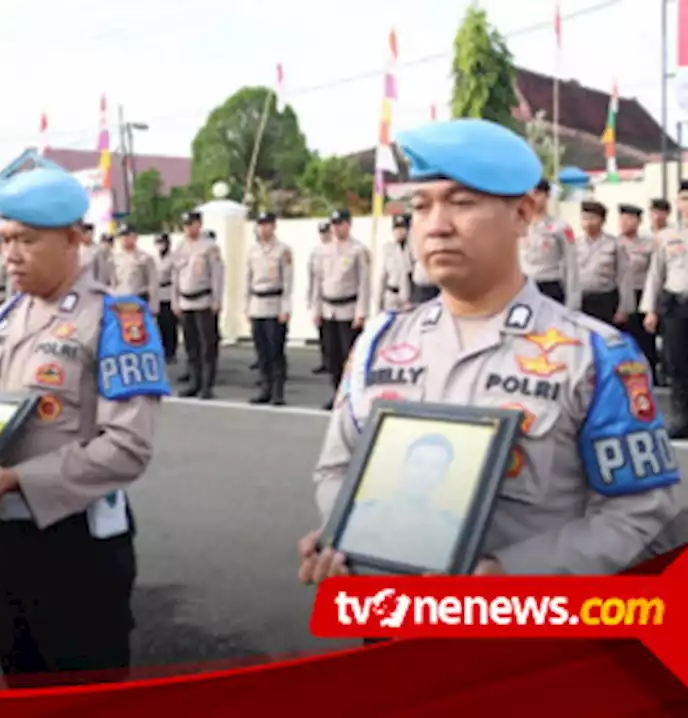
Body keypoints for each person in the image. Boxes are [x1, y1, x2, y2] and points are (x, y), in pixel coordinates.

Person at [300, 118, 681, 586]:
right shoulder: (381, 342)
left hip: (520, 634)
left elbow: (643, 513)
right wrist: (345, 533)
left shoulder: (594, 355)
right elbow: (337, 467)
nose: (436, 226)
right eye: (421, 206)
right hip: (387, 618)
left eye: (461, 203)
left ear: (522, 214)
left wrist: (509, 573)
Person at [0, 152, 166, 686]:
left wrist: (20, 479)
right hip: (7, 537)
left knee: (81, 683)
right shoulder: (4, 319)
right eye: (5, 239)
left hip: (78, 546)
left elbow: (128, 447)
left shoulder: (118, 319)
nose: (11, 255)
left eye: (27, 240)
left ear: (73, 238)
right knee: (18, 675)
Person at [337, 434, 464, 572]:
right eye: (417, 463)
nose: (423, 474)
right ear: (404, 466)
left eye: (435, 467)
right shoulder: (360, 515)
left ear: (443, 476)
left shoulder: (451, 531)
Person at [640, 181, 688, 438]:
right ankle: (681, 418)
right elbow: (655, 275)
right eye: (683, 199)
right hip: (676, 305)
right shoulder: (667, 236)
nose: (686, 204)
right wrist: (650, 310)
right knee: (677, 364)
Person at [312, 209, 371, 410]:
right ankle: (337, 393)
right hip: (329, 309)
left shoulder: (358, 250)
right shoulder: (323, 251)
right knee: (332, 356)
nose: (337, 228)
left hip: (349, 309)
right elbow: (317, 282)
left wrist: (361, 312)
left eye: (341, 224)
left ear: (349, 224)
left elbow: (364, 284)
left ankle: (352, 396)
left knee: (350, 356)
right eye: (334, 224)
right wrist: (316, 309)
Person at [172, 211, 224, 399]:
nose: (188, 228)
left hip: (204, 300)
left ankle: (207, 385)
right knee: (190, 345)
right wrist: (174, 300)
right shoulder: (180, 247)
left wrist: (217, 300)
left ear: (199, 224)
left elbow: (217, 275)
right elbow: (175, 275)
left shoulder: (209, 247)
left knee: (207, 346)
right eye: (185, 225)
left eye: (191, 224)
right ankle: (194, 382)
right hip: (185, 302)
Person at [245, 212, 293, 405]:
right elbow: (247, 279)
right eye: (260, 225)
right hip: (257, 304)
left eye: (267, 225)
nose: (263, 228)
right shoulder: (253, 251)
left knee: (276, 350)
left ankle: (278, 391)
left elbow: (288, 283)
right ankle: (265, 388)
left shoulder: (283, 250)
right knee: (261, 351)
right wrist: (246, 306)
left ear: (274, 226)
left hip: (275, 304)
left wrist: (286, 308)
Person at [521, 179, 581, 309]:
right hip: (524, 288)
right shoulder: (519, 225)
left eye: (537, 193)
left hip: (549, 286)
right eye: (528, 194)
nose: (532, 198)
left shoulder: (560, 227)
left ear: (547, 195)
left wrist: (573, 301)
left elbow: (571, 266)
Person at [576, 201, 634, 326]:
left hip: (604, 301)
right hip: (580, 300)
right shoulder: (574, 244)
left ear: (602, 221)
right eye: (584, 218)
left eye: (592, 218)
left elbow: (624, 278)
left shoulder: (615, 244)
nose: (588, 222)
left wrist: (624, 308)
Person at [618, 204, 658, 384]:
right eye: (622, 218)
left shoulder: (649, 244)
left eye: (629, 218)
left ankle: (650, 375)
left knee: (645, 338)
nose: (624, 222)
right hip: (620, 296)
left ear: (639, 221)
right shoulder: (615, 243)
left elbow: (655, 272)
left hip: (642, 293)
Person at [111, 223, 158, 303]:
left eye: (127, 235)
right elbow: (113, 282)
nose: (124, 238)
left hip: (138, 299)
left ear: (135, 237)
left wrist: (153, 305)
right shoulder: (115, 258)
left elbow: (153, 282)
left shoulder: (145, 257)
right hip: (121, 300)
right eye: (121, 236)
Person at [308, 222, 332, 374]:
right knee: (322, 332)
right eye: (322, 233)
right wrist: (310, 295)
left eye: (326, 232)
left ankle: (332, 361)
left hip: (334, 298)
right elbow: (312, 275)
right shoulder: (316, 252)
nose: (324, 235)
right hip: (321, 296)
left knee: (332, 334)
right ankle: (325, 360)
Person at [153, 233, 178, 364]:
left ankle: (171, 352)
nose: (160, 245)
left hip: (169, 292)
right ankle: (163, 350)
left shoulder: (173, 258)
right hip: (158, 293)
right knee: (161, 324)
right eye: (158, 242)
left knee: (170, 325)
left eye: (162, 242)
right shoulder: (154, 259)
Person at [380, 214, 412, 312]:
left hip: (409, 298)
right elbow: (382, 276)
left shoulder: (412, 249)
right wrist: (379, 301)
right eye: (396, 228)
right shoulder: (388, 248)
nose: (399, 232)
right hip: (391, 295)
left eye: (402, 228)